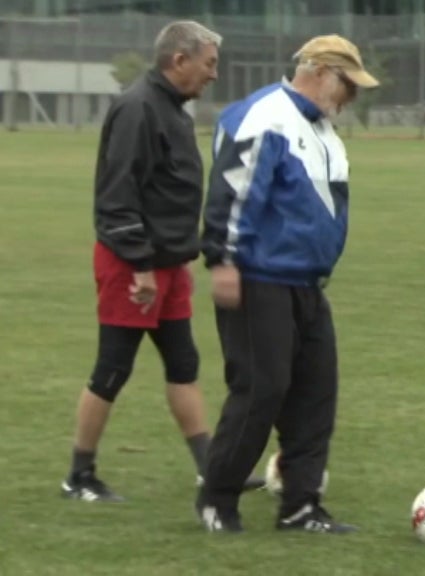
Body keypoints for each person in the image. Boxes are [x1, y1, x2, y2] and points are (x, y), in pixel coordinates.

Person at [61, 21, 252, 502]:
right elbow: (117, 194)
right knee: (112, 368)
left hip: (167, 266)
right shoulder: (137, 109)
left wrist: (175, 258)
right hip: (134, 267)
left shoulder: (172, 110)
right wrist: (141, 265)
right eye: (208, 64)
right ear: (179, 60)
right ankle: (79, 477)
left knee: (184, 363)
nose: (213, 74)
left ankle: (211, 469)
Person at [196, 34, 379, 534]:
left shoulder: (325, 135)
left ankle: (301, 506)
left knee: (316, 394)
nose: (351, 99)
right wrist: (224, 261)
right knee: (261, 389)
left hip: (306, 284)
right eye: (348, 86)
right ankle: (217, 498)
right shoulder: (264, 116)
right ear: (320, 71)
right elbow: (232, 191)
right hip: (257, 279)